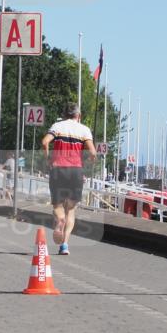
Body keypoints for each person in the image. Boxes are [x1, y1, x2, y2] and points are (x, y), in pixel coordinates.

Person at [41, 103, 97, 255]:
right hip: (75, 171)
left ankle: (60, 219)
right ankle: (64, 245)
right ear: (79, 115)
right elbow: (93, 153)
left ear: (64, 115)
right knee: (71, 209)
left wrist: (48, 160)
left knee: (58, 206)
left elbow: (45, 142)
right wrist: (86, 163)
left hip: (58, 169)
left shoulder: (57, 126)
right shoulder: (84, 130)